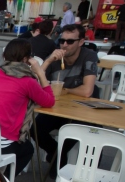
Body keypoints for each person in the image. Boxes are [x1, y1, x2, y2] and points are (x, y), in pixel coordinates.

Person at [0, 39, 54, 177]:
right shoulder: (27, 81)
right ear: (27, 59)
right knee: (27, 149)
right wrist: (40, 73)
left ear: (4, 56)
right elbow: (49, 101)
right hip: (1, 143)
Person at [36, 24, 97, 174]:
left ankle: (57, 158)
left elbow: (87, 91)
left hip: (81, 109)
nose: (64, 45)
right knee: (35, 130)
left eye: (70, 42)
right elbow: (36, 84)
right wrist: (49, 61)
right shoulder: (55, 57)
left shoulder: (88, 56)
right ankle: (58, 155)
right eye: (62, 40)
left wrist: (64, 91)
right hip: (56, 108)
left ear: (81, 42)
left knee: (74, 132)